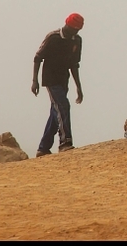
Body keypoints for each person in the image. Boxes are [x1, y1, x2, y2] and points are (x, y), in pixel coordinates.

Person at [32, 13, 84, 157]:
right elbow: (38, 57)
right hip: (51, 80)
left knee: (56, 114)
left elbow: (74, 65)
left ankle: (43, 148)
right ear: (67, 24)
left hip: (63, 80)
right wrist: (34, 80)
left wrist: (78, 87)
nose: (75, 32)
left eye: (78, 30)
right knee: (63, 106)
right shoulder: (53, 37)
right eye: (74, 28)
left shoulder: (77, 41)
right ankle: (65, 142)